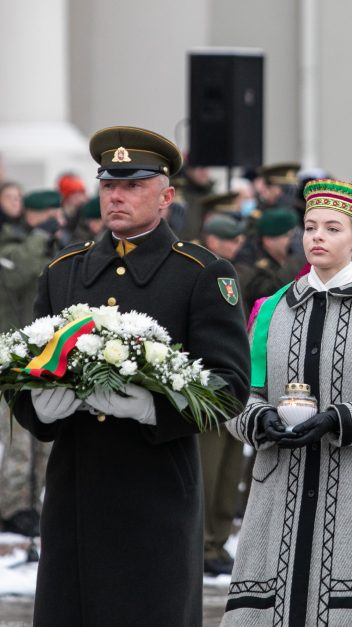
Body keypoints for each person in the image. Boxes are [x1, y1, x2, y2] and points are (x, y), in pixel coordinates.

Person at [11, 126, 251, 626]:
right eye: (108, 185)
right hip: (77, 489)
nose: (116, 196)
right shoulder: (64, 272)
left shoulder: (200, 273)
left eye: (133, 185)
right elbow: (24, 371)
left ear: (166, 197)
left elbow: (229, 386)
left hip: (156, 491)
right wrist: (37, 409)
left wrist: (153, 407)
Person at [222, 179, 352, 625]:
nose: (317, 236)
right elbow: (244, 395)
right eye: (310, 226)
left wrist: (341, 419)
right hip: (281, 489)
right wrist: (259, 420)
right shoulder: (273, 310)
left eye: (332, 228)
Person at [0, 190, 63, 537]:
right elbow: (15, 276)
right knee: (17, 439)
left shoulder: (55, 245)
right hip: (12, 354)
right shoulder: (11, 243)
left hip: (46, 353)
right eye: (48, 213)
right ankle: (12, 508)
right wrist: (39, 237)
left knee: (43, 439)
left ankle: (36, 503)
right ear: (33, 215)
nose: (56, 219)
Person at [197, 214, 254, 576]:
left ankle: (216, 541)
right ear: (212, 239)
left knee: (228, 470)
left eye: (236, 240)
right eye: (227, 239)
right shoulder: (197, 268)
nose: (235, 245)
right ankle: (201, 543)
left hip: (233, 382)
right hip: (204, 382)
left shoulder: (235, 271)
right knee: (207, 468)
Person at [243, 207, 305, 311]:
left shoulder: (287, 256)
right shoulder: (253, 264)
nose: (291, 240)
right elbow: (266, 293)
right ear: (268, 241)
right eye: (286, 236)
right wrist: (296, 263)